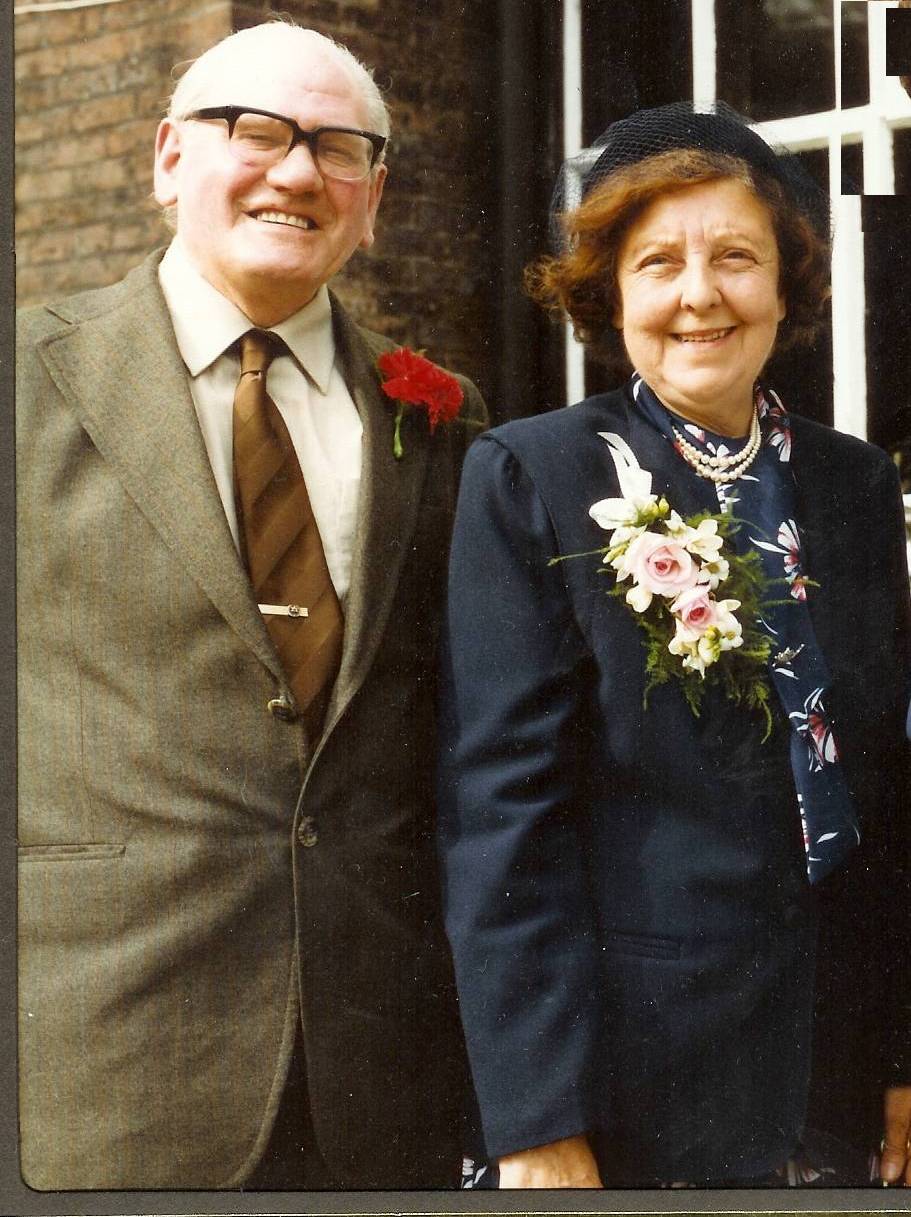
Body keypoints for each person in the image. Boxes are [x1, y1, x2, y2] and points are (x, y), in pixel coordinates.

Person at [17, 20, 485, 1191]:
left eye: (337, 147)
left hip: (377, 1077)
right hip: (100, 1055)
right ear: (169, 157)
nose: (297, 172)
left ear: (373, 200)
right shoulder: (26, 379)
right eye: (256, 133)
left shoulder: (439, 416)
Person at [438, 104, 911, 1189]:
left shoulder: (852, 482)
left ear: (784, 285)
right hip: (637, 1083)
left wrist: (899, 1050)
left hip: (833, 1070)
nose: (699, 293)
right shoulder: (534, 475)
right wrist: (536, 1118)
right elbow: (500, 817)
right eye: (657, 262)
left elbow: (884, 783)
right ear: (609, 294)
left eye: (735, 256)